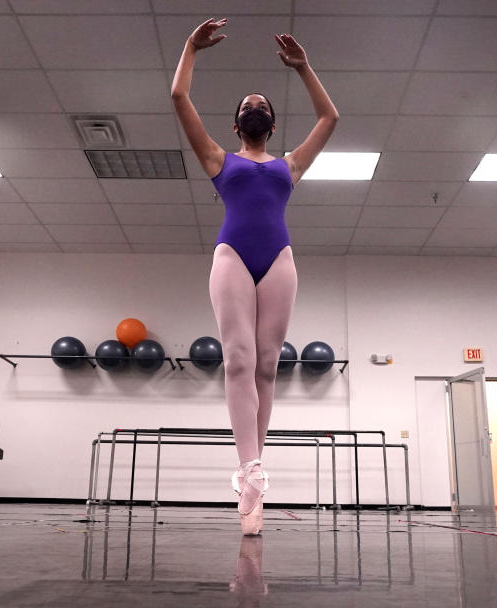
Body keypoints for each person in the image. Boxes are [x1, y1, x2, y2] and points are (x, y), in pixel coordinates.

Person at [171, 18, 338, 535]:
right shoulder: (219, 160)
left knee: (267, 366)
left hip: (279, 260)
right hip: (233, 257)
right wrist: (190, 48)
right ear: (235, 124)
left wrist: (304, 67)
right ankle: (249, 470)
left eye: (261, 104)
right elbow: (178, 96)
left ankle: (255, 470)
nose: (254, 107)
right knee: (238, 359)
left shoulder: (288, 166)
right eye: (246, 105)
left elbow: (330, 117)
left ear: (270, 122)